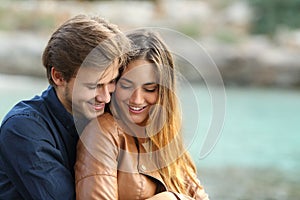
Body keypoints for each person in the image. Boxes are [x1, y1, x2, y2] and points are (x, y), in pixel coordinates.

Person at [0, 14, 130, 199]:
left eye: (112, 82)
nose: (106, 97)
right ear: (59, 77)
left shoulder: (110, 115)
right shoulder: (22, 129)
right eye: (94, 86)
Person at [75, 29, 209, 200]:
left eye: (149, 89)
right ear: (113, 84)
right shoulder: (103, 133)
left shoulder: (167, 141)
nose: (137, 100)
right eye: (126, 86)